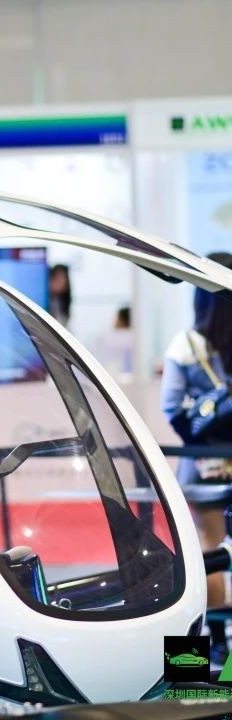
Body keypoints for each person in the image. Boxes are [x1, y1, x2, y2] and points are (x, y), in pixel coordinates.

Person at [161, 251, 232, 610]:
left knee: (208, 550)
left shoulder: (186, 344)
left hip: (204, 464)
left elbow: (172, 408)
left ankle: (206, 641)